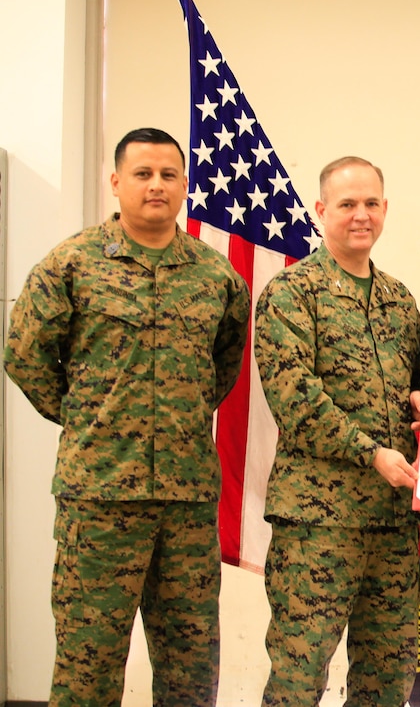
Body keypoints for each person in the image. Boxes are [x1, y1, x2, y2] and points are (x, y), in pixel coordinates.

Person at [3, 127, 251, 705]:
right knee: (88, 669)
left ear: (185, 184)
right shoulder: (72, 263)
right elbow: (24, 354)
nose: (156, 185)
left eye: (168, 174)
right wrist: (89, 416)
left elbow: (225, 362)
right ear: (116, 182)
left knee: (190, 671)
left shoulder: (215, 277)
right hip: (99, 501)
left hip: (186, 505)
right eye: (142, 174)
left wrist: (177, 417)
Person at [254, 156, 420, 706]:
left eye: (371, 203)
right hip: (318, 524)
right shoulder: (291, 293)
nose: (361, 216)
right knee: (300, 677)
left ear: (385, 210)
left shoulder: (400, 301)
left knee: (389, 676)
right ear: (322, 209)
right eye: (347, 204)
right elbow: (296, 399)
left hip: (392, 521)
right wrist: (371, 452)